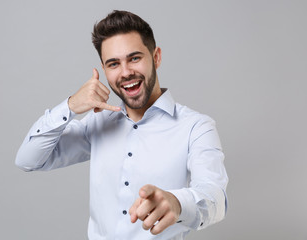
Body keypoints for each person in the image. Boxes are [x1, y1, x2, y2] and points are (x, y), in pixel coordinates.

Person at [15, 10, 228, 240]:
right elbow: (28, 160)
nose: (126, 72)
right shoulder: (97, 124)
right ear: (104, 69)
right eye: (114, 63)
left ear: (156, 57)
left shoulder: (196, 127)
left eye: (134, 58)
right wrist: (69, 106)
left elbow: (215, 199)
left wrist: (177, 203)